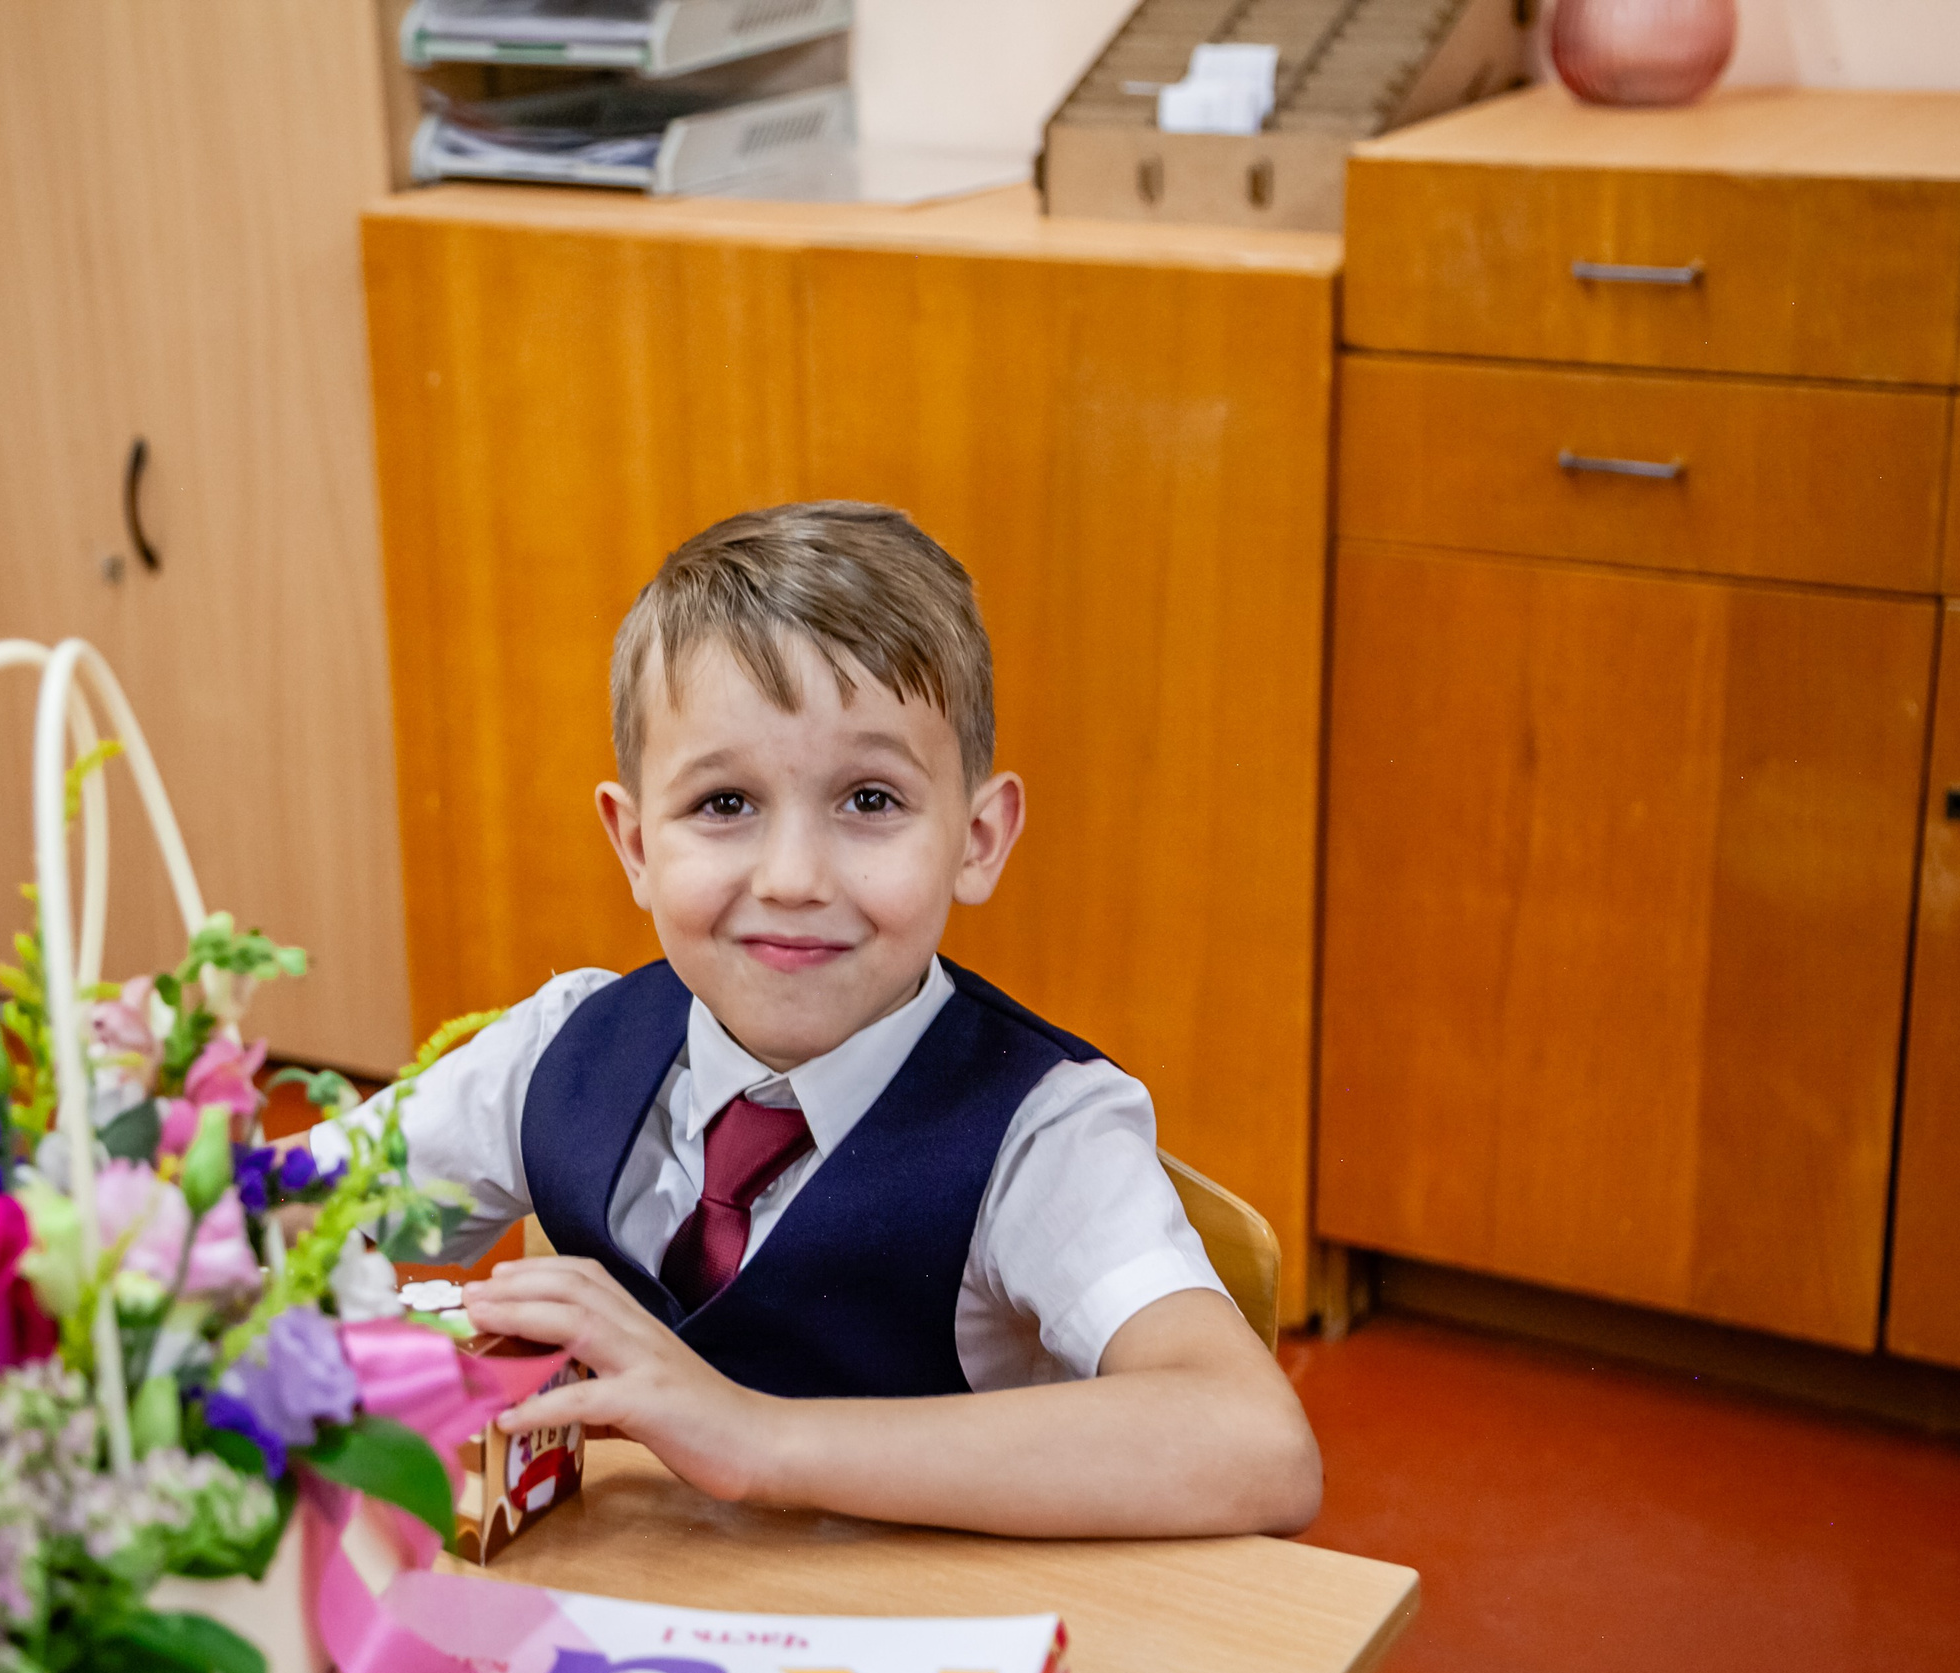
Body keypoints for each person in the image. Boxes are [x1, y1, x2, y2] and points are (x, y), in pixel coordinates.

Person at [320, 501, 1321, 1538]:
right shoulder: (561, 1047)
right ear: (632, 843)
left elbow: (1256, 1445)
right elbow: (243, 1237)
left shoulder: (1041, 1130)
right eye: (723, 804)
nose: (793, 879)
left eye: (871, 801)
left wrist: (751, 1436)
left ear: (977, 839)